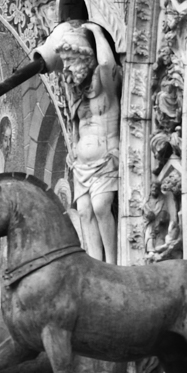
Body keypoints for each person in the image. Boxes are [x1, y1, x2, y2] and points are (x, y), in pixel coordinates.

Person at [50, 21, 122, 264]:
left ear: (85, 57)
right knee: (84, 212)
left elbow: (107, 64)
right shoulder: (76, 94)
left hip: (105, 158)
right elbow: (76, 127)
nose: (66, 67)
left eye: (70, 60)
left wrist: (97, 32)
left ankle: (111, 262)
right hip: (82, 166)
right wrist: (73, 149)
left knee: (101, 207)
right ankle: (95, 263)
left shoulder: (106, 86)